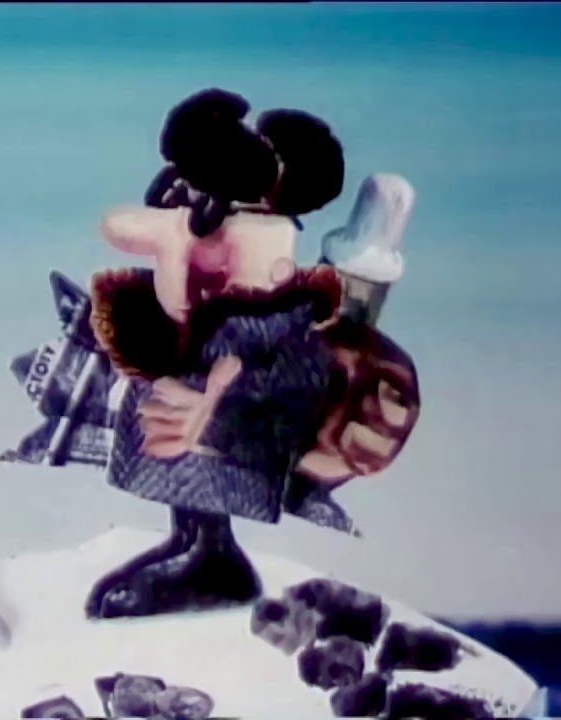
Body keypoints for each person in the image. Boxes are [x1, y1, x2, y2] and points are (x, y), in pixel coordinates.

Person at [82, 89, 420, 620]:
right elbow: (130, 232)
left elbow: (271, 354)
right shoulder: (209, 230)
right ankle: (195, 542)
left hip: (243, 384)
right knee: (188, 460)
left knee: (209, 459)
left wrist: (221, 393)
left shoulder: (270, 277)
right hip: (214, 357)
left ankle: (209, 555)